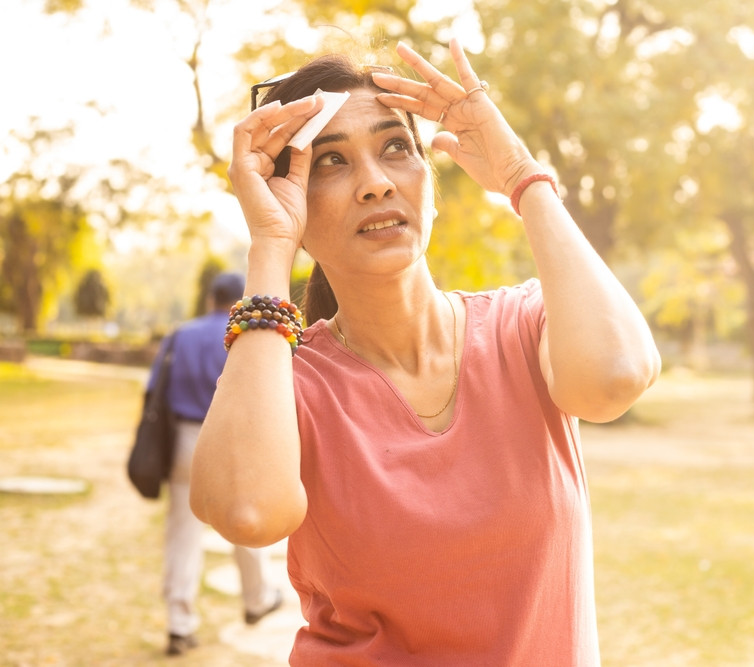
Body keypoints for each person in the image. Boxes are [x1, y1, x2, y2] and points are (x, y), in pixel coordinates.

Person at [190, 39, 661, 665]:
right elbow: (247, 510)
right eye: (330, 162)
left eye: (395, 147)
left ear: (430, 180)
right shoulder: (290, 383)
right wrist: (271, 243)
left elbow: (616, 378)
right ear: (293, 201)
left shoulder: (523, 327)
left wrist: (521, 174)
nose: (376, 183)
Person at [148, 271, 283, 657]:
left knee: (182, 533)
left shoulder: (181, 335)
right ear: (238, 299)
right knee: (245, 520)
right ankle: (256, 599)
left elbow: (153, 389)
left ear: (210, 298)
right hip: (233, 440)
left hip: (183, 440)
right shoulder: (245, 333)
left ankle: (179, 624)